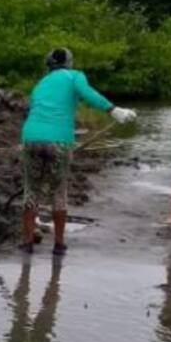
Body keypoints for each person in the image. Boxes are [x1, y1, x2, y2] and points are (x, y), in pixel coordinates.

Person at [19, 47, 135, 254]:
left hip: (31, 138)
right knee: (58, 191)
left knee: (31, 191)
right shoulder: (74, 76)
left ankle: (27, 242)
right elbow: (88, 94)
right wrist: (113, 110)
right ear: (69, 62)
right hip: (60, 140)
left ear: (48, 65)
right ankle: (59, 244)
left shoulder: (41, 83)